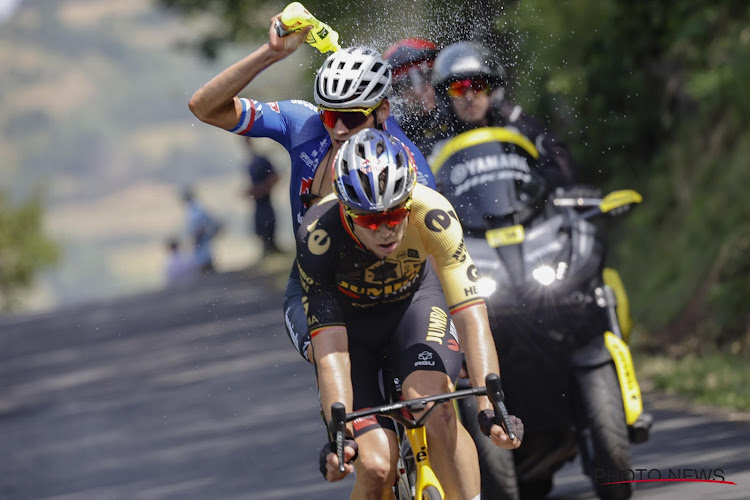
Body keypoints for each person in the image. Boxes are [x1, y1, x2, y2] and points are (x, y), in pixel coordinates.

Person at [188, 13, 436, 364]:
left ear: (381, 113)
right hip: (319, 285)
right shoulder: (303, 124)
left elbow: (436, 245)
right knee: (338, 383)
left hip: (395, 286)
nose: (338, 129)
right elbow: (204, 107)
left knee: (431, 396)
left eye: (351, 118)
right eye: (330, 116)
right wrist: (271, 54)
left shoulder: (405, 157)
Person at [298, 128, 523, 499]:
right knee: (375, 466)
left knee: (437, 409)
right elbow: (331, 350)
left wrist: (490, 407)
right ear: (347, 212)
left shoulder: (433, 213)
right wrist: (341, 436)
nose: (387, 229)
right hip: (352, 332)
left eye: (396, 214)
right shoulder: (319, 235)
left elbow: (471, 315)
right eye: (371, 221)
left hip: (415, 308)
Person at [422, 41, 576, 189]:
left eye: (478, 86)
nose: (469, 97)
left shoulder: (519, 124)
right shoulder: (435, 145)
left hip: (523, 213)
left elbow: (561, 166)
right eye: (458, 89)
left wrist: (542, 184)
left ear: (493, 90)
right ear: (446, 97)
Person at [383, 38, 439, 145]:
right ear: (395, 93)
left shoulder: (460, 116)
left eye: (425, 77)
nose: (417, 92)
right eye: (407, 84)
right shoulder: (395, 138)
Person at [242, 137, 281, 258]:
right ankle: (267, 249)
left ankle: (271, 248)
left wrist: (261, 189)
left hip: (265, 201)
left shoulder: (261, 160)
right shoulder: (250, 162)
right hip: (258, 203)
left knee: (268, 223)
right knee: (260, 226)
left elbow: (275, 176)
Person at [181, 187, 222, 273]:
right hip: (202, 234)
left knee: (203, 253)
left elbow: (199, 223)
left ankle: (207, 269)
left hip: (201, 234)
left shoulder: (195, 208)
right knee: (203, 251)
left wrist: (196, 235)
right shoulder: (193, 207)